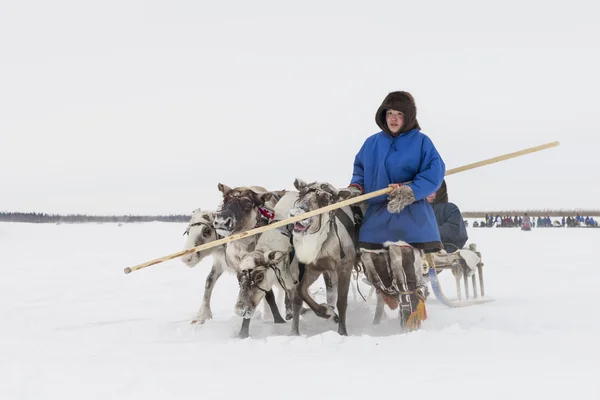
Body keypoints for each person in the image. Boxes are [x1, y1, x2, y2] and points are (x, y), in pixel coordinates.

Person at [346, 91, 445, 327]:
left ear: (408, 117)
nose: (393, 118)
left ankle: (411, 315)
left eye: (399, 114)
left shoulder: (422, 142)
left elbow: (435, 171)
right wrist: (356, 187)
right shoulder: (371, 143)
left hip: (410, 214)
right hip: (378, 214)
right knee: (369, 256)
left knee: (403, 257)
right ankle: (389, 292)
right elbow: (359, 169)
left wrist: (410, 191)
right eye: (390, 113)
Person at [425, 180, 468, 252]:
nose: (430, 194)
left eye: (434, 190)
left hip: (445, 250)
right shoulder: (416, 210)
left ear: (440, 191)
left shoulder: (451, 208)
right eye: (428, 190)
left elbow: (454, 230)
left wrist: (427, 233)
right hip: (418, 250)